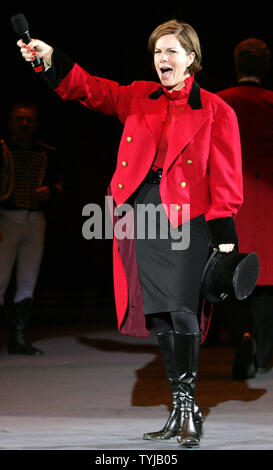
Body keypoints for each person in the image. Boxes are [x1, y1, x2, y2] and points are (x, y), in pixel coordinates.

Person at [17, 19, 243, 447]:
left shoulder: (216, 109)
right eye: (158, 51)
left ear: (192, 58)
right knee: (159, 312)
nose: (163, 59)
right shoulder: (140, 96)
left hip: (189, 218)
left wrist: (225, 230)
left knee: (183, 309)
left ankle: (188, 404)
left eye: (172, 51)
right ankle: (180, 407)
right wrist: (49, 60)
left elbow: (227, 176)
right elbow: (91, 90)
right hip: (142, 212)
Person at [216, 38, 273, 379]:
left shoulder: (219, 102)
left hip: (230, 199)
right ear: (265, 68)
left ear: (237, 65)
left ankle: (242, 335)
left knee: (227, 274)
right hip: (268, 199)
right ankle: (264, 355)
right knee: (266, 279)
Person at [0, 101, 63, 355]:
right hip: (6, 218)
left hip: (35, 220)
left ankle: (19, 338)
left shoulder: (47, 152)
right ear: (11, 123)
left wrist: (50, 193)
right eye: (19, 119)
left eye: (29, 120)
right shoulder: (2, 150)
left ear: (35, 124)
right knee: (0, 280)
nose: (24, 124)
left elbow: (59, 186)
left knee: (28, 280)